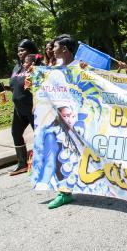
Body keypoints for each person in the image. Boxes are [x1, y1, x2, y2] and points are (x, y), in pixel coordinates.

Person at [48, 34, 78, 209]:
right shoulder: (53, 70)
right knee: (62, 156)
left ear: (64, 49)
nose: (52, 49)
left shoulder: (81, 68)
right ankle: (64, 193)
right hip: (60, 122)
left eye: (55, 46)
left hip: (82, 123)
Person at [5, 39, 39, 176]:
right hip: (19, 108)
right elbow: (15, 85)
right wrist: (7, 88)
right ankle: (22, 163)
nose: (20, 53)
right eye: (18, 50)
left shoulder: (36, 65)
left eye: (23, 50)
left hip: (33, 107)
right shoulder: (17, 67)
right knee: (15, 133)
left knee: (40, 135)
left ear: (30, 50)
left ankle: (42, 162)